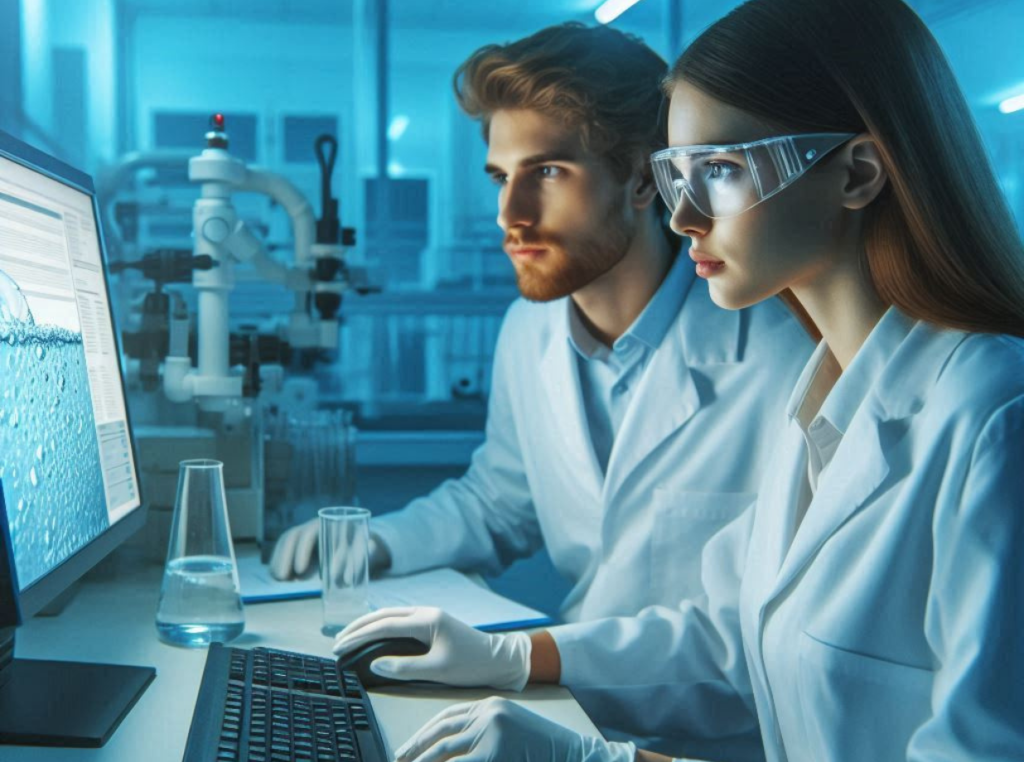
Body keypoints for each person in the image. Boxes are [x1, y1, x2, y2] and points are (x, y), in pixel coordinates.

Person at [333, 1, 1024, 760]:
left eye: (721, 171)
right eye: (677, 173)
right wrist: (515, 658)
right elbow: (730, 634)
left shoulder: (992, 418)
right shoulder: (826, 397)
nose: (684, 214)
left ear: (857, 172)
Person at [276, 20, 807, 666]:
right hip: (572, 699)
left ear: (645, 181)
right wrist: (373, 543)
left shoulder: (785, 356)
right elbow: (500, 504)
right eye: (501, 177)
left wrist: (517, 659)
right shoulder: (528, 332)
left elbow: (765, 622)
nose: (510, 215)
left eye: (547, 171)